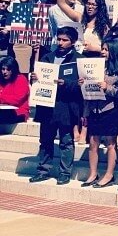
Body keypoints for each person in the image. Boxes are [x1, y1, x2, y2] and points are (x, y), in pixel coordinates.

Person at [29, 26, 82, 185]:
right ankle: (43, 170)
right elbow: (38, 80)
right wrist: (35, 78)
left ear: (72, 42)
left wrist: (66, 84)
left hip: (66, 107)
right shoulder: (47, 57)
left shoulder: (79, 60)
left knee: (66, 141)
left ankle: (64, 172)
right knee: (45, 140)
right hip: (47, 106)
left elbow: (82, 85)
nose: (60, 42)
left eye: (64, 40)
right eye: (58, 39)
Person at [81, 40, 118, 188]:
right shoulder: (95, 67)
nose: (103, 52)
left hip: (110, 109)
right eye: (102, 49)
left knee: (110, 143)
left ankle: (109, 175)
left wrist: (107, 87)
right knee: (93, 142)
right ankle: (93, 174)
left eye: (106, 49)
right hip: (94, 108)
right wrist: (83, 83)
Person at [0, 57, 30, 124]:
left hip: (19, 112)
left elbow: (17, 99)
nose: (5, 72)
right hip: (3, 110)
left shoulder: (21, 79)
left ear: (13, 69)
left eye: (8, 69)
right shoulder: (2, 80)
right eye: (3, 69)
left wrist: (1, 97)